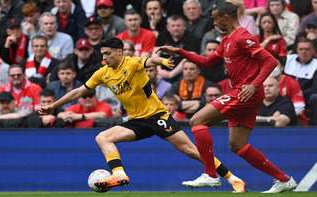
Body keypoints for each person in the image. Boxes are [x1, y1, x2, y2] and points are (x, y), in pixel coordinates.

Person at [39, 37, 245, 193]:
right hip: (137, 121)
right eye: (102, 54)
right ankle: (119, 174)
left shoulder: (131, 63)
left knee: (190, 150)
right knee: (103, 137)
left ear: (119, 52)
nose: (104, 58)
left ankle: (233, 178)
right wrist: (54, 106)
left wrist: (162, 62)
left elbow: (149, 61)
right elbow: (78, 91)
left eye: (108, 54)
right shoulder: (103, 73)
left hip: (157, 116)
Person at [159, 1, 297, 193]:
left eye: (216, 19)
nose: (214, 23)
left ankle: (210, 174)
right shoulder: (227, 40)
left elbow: (270, 61)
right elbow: (207, 62)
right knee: (237, 145)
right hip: (244, 92)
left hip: (246, 92)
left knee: (198, 120)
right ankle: (284, 179)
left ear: (226, 17)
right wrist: (181, 52)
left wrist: (254, 84)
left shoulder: (242, 36)